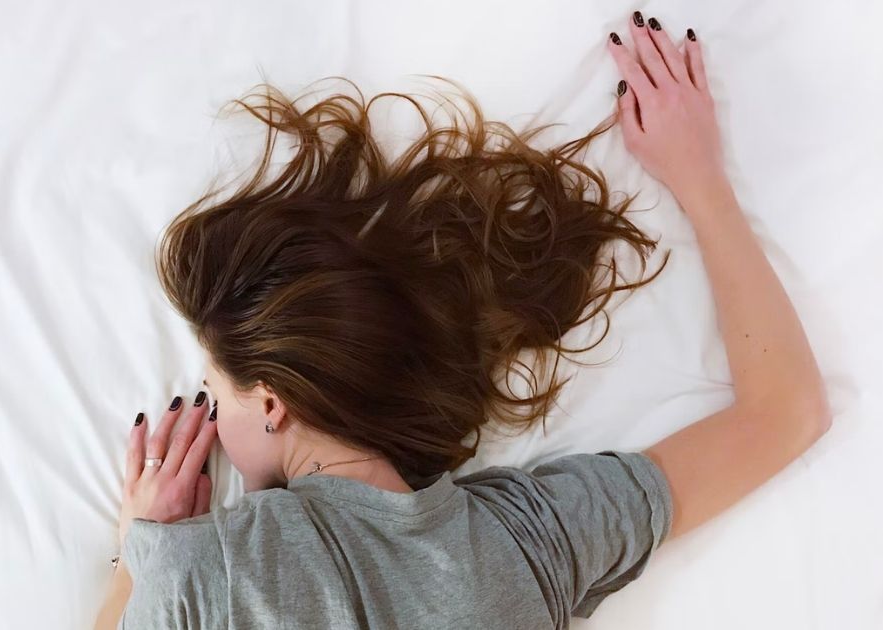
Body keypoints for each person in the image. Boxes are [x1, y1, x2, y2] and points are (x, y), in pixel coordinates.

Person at [95, 11, 831, 629]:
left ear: (272, 402)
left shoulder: (199, 570)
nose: (211, 417)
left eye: (215, 391)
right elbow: (786, 412)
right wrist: (700, 181)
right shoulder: (529, 539)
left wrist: (138, 553)